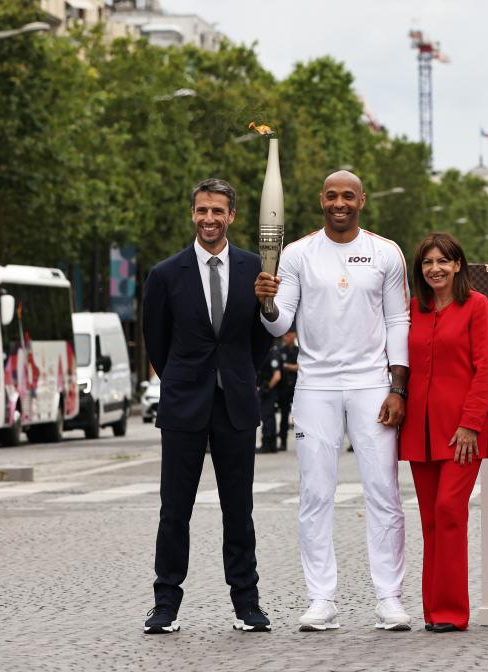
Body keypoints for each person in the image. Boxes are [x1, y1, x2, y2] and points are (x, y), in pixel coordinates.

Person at [253, 170, 412, 632]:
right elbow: (280, 322)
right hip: (316, 386)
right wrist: (266, 303)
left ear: (362, 200)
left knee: (383, 492)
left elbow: (398, 320)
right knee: (315, 494)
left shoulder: (386, 253)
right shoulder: (297, 254)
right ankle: (321, 598)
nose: (339, 203)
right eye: (331, 196)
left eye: (347, 196)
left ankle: (389, 598)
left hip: (371, 384)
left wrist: (397, 387)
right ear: (321, 200)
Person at [141, 178, 273, 634]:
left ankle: (247, 604)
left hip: (236, 403)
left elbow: (262, 336)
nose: (209, 219)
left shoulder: (255, 269)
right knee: (174, 511)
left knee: (239, 510)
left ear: (232, 215)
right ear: (192, 213)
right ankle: (165, 604)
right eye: (202, 210)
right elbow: (156, 340)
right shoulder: (165, 274)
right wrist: (183, 377)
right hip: (183, 404)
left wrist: (238, 372)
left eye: (218, 211)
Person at [400, 232, 488, 633]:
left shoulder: (477, 305)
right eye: (427, 262)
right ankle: (433, 610)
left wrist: (471, 424)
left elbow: (486, 368)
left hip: (462, 432)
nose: (435, 268)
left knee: (449, 512)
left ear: (458, 265)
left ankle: (452, 612)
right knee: (430, 520)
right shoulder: (412, 309)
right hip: (419, 430)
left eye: (443, 261)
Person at [276, 327, 299, 451]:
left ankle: (302, 441)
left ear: (294, 335)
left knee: (301, 417)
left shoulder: (299, 351)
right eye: (284, 335)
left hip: (297, 388)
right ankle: (283, 442)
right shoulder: (280, 351)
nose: (286, 338)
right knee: (284, 416)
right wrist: (293, 367)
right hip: (284, 388)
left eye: (288, 335)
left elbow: (301, 367)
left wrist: (287, 366)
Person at [257, 343, 282, 453]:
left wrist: (267, 388)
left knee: (267, 417)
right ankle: (272, 445)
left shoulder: (272, 353)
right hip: (267, 391)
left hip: (269, 391)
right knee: (269, 417)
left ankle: (267, 444)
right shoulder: (267, 352)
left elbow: (277, 376)